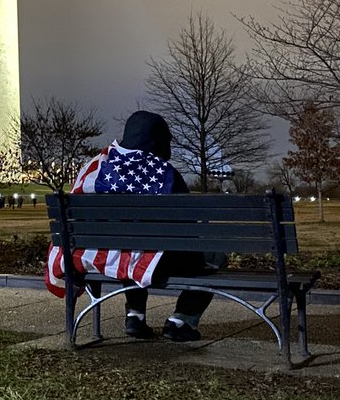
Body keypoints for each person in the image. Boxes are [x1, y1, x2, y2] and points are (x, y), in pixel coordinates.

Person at [45, 110, 214, 341]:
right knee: (208, 256)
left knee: (128, 248)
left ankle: (135, 316)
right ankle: (180, 321)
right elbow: (187, 224)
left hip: (95, 255)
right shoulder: (164, 174)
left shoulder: (96, 166)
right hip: (147, 259)